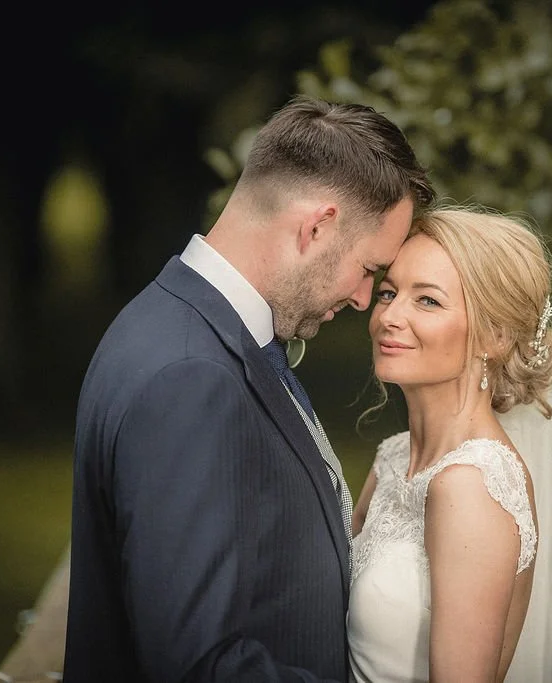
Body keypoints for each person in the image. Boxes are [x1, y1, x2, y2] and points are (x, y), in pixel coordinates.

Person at [63, 95, 434, 682]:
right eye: (369, 270)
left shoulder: (183, 324)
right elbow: (194, 664)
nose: (366, 300)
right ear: (317, 227)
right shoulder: (190, 375)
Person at [347, 205, 552, 682]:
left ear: (494, 336)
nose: (390, 316)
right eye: (389, 292)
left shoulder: (471, 487)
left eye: (428, 301)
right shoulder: (394, 457)